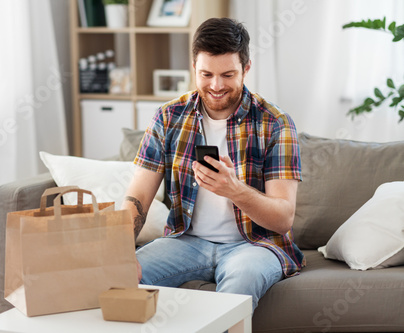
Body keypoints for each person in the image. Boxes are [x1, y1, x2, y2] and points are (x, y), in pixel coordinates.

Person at [122, 17, 304, 311]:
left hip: (254, 246)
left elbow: (282, 219)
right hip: (185, 242)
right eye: (206, 74)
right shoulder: (169, 117)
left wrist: (234, 190)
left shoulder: (275, 123)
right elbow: (138, 197)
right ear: (193, 67)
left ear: (246, 69)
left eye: (228, 74)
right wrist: (120, 252)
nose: (216, 86)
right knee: (118, 278)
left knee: (237, 288)